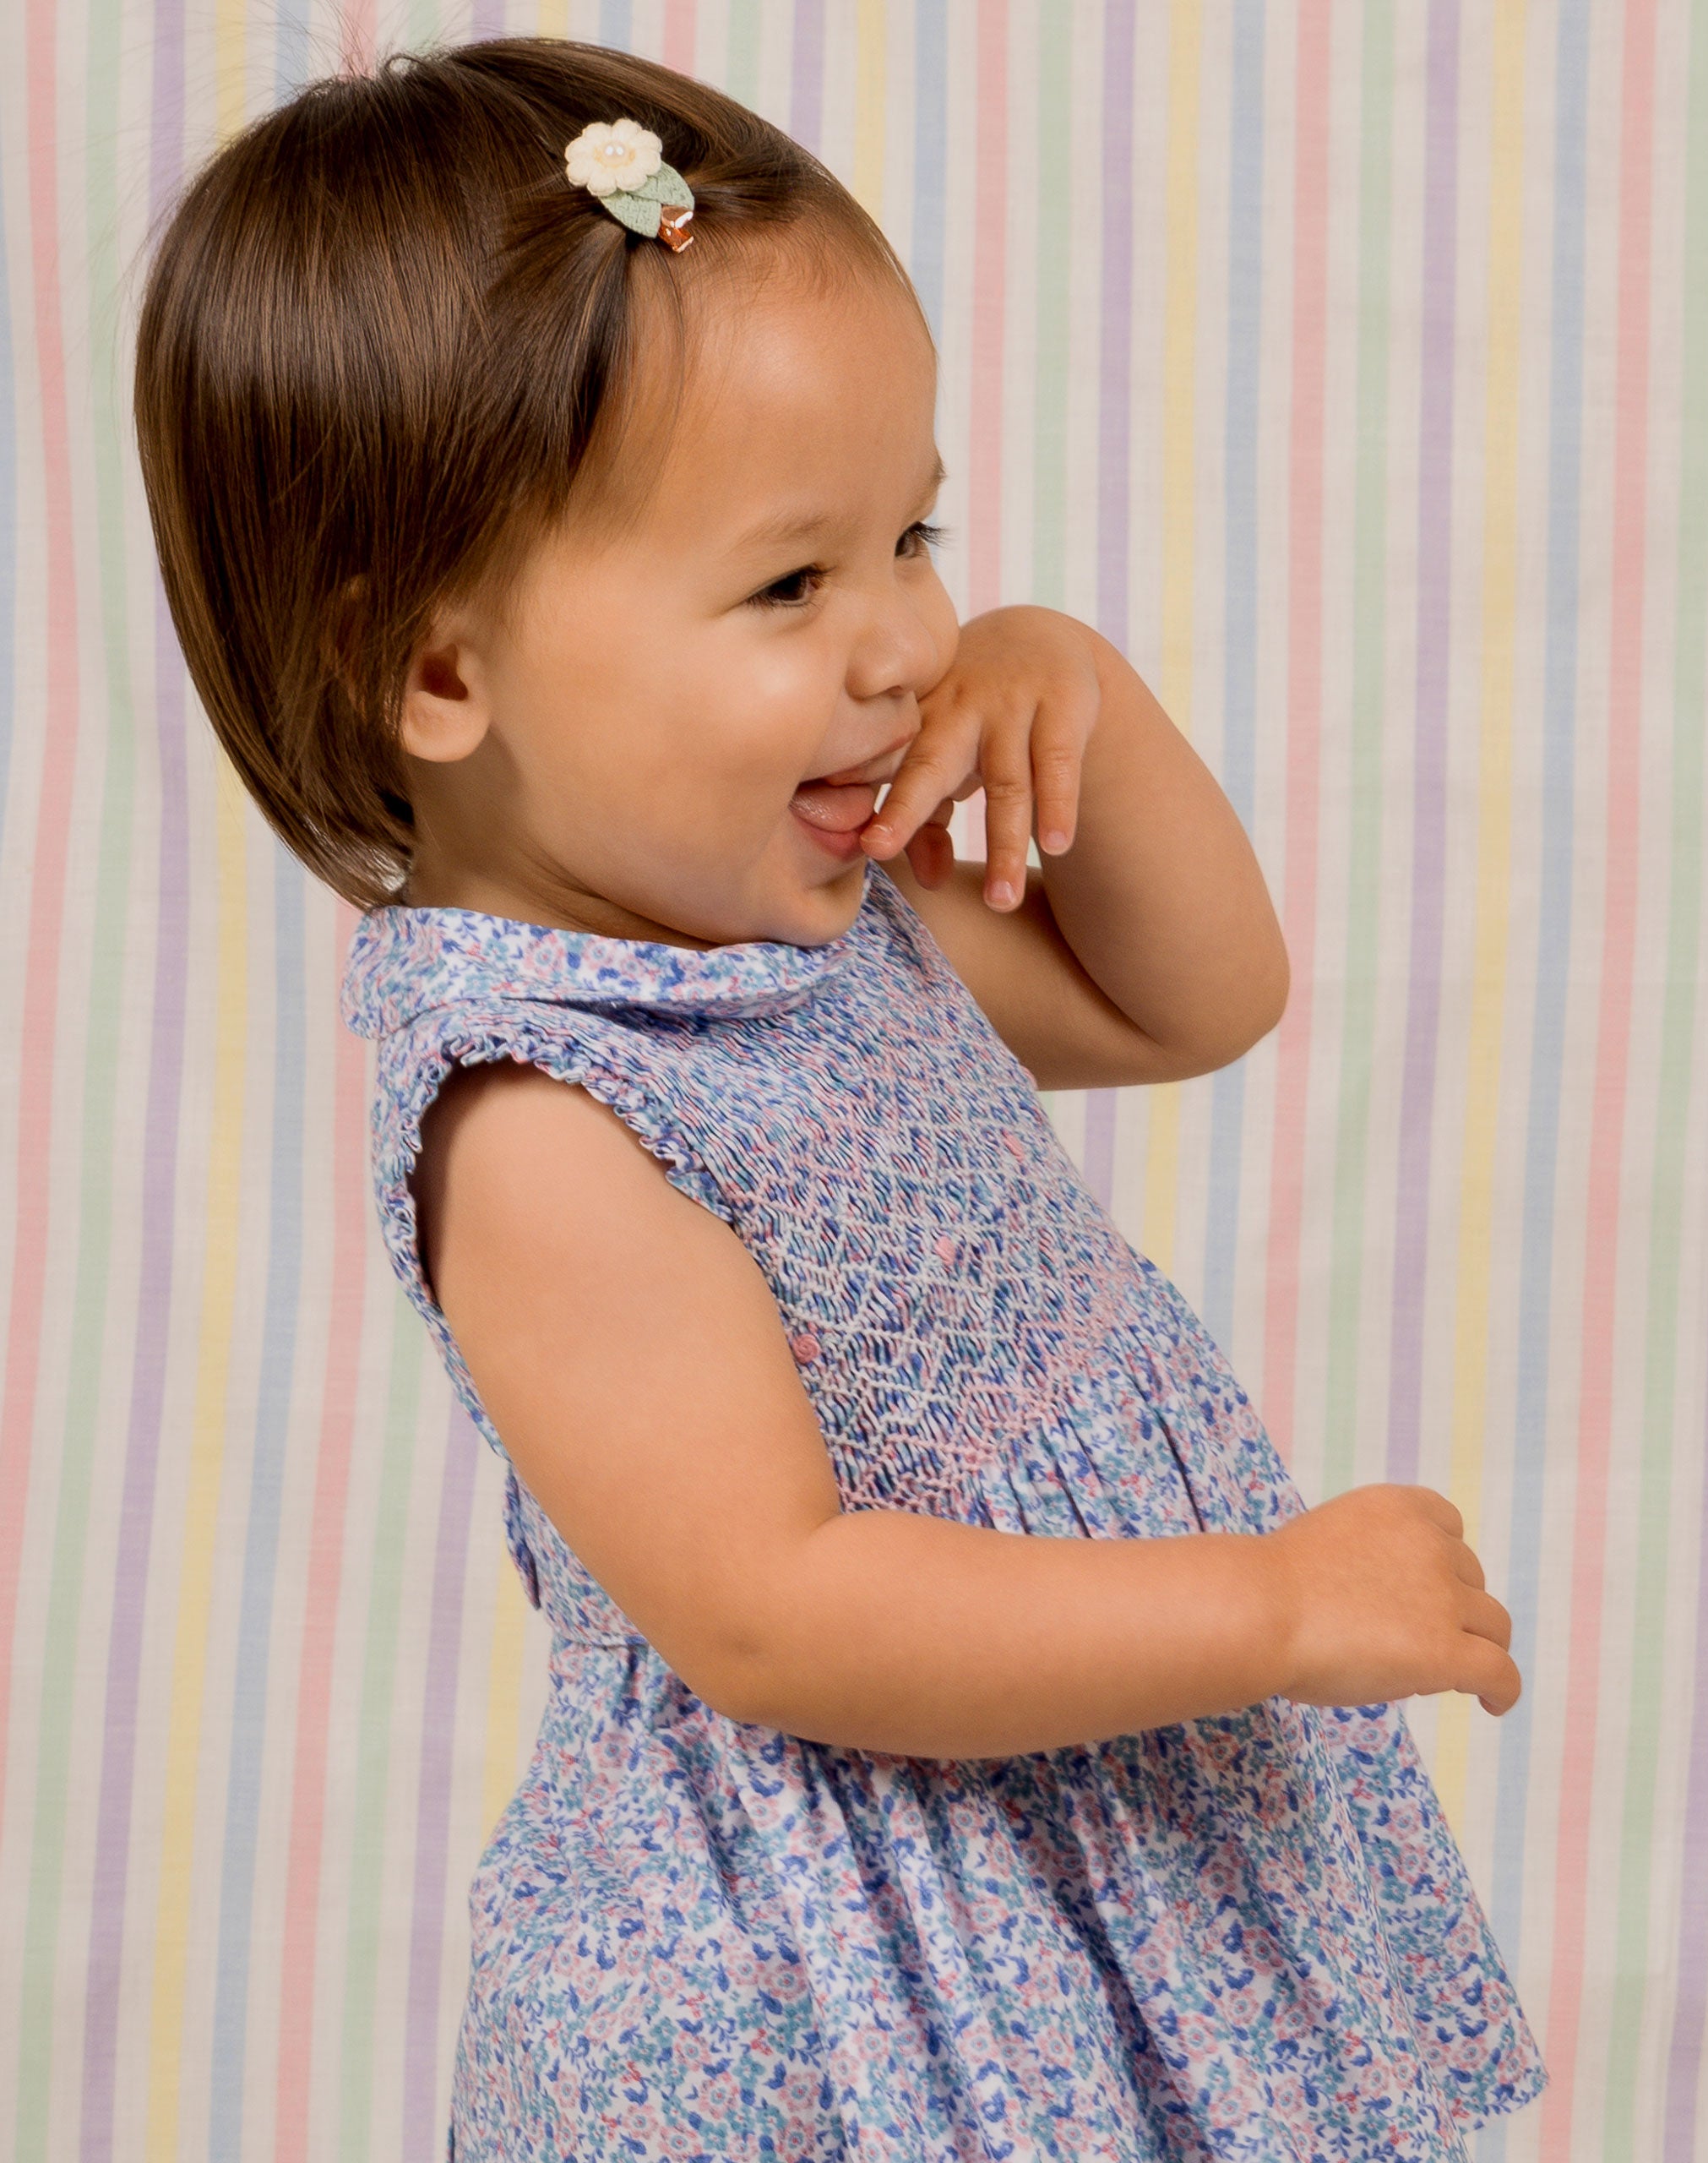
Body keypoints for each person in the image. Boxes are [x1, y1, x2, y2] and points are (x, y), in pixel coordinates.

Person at [133, 35, 1548, 2160]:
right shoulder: (548, 1111)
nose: (900, 639)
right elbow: (774, 1605)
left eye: (916, 531)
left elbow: (1195, 998)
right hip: (848, 1954)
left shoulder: (801, 918)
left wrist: (1085, 681)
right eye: (794, 583)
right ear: (439, 673)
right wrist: (1266, 1601)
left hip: (1071, 1829)